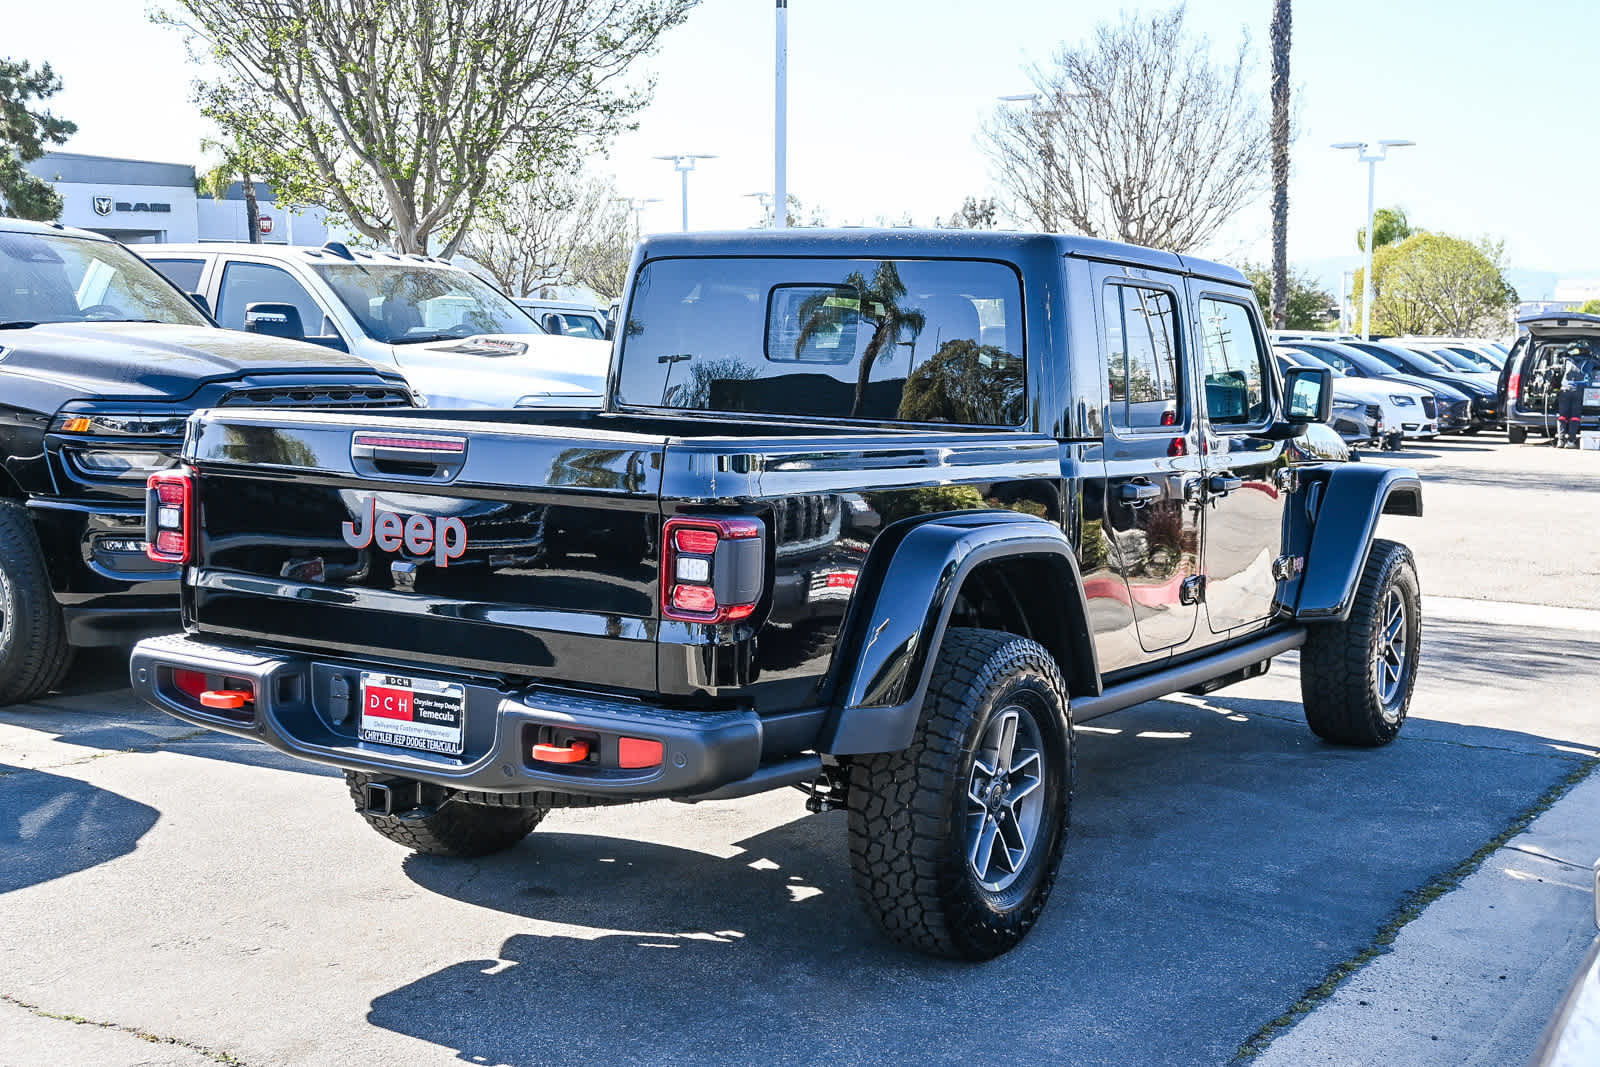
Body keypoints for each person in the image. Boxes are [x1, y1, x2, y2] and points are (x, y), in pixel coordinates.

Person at [1556, 342, 1597, 448]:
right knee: (1575, 416)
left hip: (1565, 389)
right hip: (1578, 391)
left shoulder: (1568, 359)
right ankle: (1571, 441)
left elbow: (1560, 369)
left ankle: (1560, 441)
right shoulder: (1590, 361)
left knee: (1562, 415)